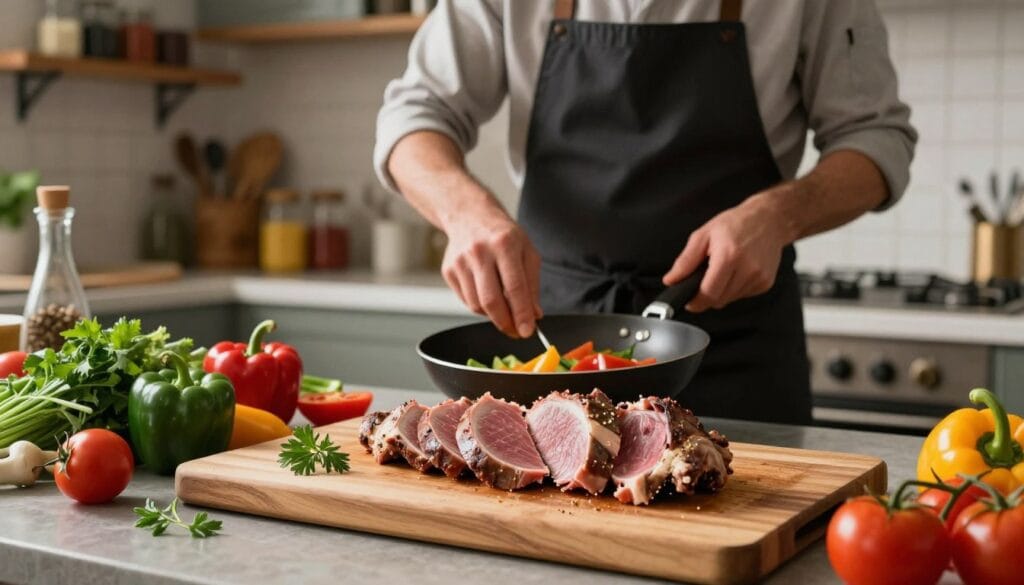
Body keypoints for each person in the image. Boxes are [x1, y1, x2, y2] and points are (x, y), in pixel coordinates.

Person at [374, 0, 916, 424]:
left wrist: (778, 214)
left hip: (736, 347)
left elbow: (876, 138)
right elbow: (413, 116)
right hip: (554, 343)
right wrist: (464, 212)